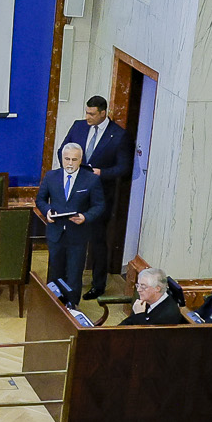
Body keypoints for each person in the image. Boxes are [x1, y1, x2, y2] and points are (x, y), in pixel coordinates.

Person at [58, 97, 131, 300]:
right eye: (86, 112)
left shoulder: (118, 135)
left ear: (103, 113)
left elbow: (123, 168)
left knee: (98, 241)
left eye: (92, 114)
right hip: (74, 193)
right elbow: (62, 151)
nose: (87, 117)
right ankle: (69, 279)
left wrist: (101, 172)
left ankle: (98, 284)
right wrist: (69, 169)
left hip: (99, 197)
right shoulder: (78, 127)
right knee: (71, 237)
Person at [38, 143, 105, 305]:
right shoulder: (51, 177)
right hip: (56, 233)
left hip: (78, 235)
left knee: (74, 272)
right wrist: (47, 211)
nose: (70, 163)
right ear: (61, 159)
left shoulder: (91, 179)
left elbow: (99, 205)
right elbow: (40, 199)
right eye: (67, 159)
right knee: (55, 270)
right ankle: (54, 302)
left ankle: (71, 305)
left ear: (80, 160)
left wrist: (85, 216)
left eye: (74, 160)